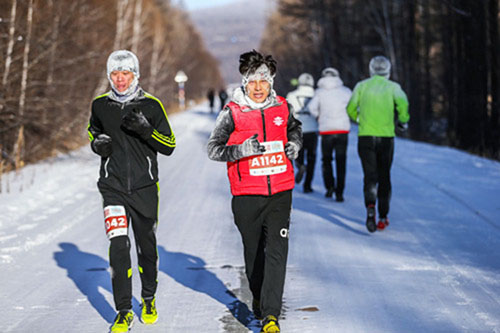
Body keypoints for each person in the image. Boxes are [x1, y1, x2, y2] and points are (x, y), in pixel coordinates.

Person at [207, 50, 302, 333]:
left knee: (276, 251)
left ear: (271, 81)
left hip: (280, 193)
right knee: (254, 255)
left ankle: (271, 316)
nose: (258, 87)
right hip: (246, 196)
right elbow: (213, 149)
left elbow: (295, 129)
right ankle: (260, 298)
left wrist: (294, 145)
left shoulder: (283, 107)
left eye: (263, 80)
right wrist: (241, 150)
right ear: (244, 82)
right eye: (252, 81)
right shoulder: (232, 112)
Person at [87, 50, 176, 332]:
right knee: (118, 248)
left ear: (135, 75)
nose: (120, 79)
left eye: (126, 73)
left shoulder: (152, 105)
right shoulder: (100, 105)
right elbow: (93, 131)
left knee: (146, 247)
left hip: (145, 188)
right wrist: (97, 144)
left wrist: (146, 130)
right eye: (115, 73)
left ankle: (148, 298)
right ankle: (123, 309)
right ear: (109, 76)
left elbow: (169, 146)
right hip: (112, 187)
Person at [346, 55, 409, 232]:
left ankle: (370, 206)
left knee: (370, 175)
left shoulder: (361, 86)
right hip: (386, 138)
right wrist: (402, 121)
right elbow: (403, 104)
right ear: (388, 70)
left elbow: (350, 108)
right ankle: (383, 216)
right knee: (384, 176)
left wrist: (359, 119)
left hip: (365, 137)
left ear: (371, 69)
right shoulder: (393, 87)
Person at [309, 67, 352, 202]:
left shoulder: (319, 92)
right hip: (342, 130)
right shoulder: (345, 91)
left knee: (326, 160)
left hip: (326, 130)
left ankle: (329, 187)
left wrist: (318, 117)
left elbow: (311, 107)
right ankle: (340, 192)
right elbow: (353, 107)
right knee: (341, 161)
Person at [286, 73, 318, 193]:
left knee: (298, 153)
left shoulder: (292, 95)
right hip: (313, 129)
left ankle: (300, 166)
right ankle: (307, 185)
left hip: (298, 130)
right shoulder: (316, 95)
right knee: (312, 158)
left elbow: (287, 113)